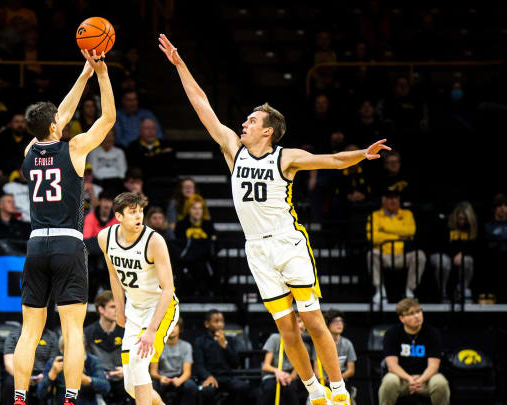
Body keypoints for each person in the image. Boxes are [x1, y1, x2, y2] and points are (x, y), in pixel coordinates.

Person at [159, 33, 391, 405]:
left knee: (313, 322)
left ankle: (339, 391)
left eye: (251, 120)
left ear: (268, 130)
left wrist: (363, 153)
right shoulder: (233, 151)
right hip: (257, 250)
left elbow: (331, 160)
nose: (244, 123)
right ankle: (315, 392)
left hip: (288, 242)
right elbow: (202, 105)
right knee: (286, 329)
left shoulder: (284, 157)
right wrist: (179, 64)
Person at [12, 49, 115, 405]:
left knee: (29, 332)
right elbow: (108, 117)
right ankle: (71, 398)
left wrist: (83, 74)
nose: (63, 117)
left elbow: (59, 116)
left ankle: (19, 397)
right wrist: (100, 74)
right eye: (58, 117)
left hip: (36, 244)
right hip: (69, 245)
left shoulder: (28, 151)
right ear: (55, 125)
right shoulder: (75, 149)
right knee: (72, 330)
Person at [97, 192, 179, 405]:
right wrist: (120, 310)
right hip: (134, 309)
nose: (139, 216)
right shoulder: (105, 238)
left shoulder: (155, 241)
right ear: (119, 216)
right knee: (130, 385)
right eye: (132, 212)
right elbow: (113, 275)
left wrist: (152, 330)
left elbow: (168, 289)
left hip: (160, 307)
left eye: (141, 211)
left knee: (139, 361)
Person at [378, 299, 449, 405]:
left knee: (440, 383)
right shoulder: (392, 334)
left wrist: (420, 380)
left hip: (426, 379)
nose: (417, 316)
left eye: (418, 311)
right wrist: (409, 379)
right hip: (401, 379)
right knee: (389, 381)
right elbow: (392, 366)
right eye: (411, 314)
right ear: (402, 318)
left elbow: (433, 366)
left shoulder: (432, 333)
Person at [366, 189, 426, 305]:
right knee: (371, 254)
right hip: (383, 254)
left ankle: (410, 291)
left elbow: (411, 231)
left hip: (402, 255)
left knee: (420, 256)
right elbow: (373, 237)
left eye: (395, 197)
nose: (393, 200)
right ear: (383, 200)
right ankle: (380, 291)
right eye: (389, 198)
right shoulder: (375, 215)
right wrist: (400, 236)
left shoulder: (407, 214)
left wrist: (385, 230)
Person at [193, 309, 252, 404]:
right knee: (207, 391)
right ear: (207, 324)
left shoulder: (229, 340)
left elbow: (236, 364)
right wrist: (208, 376)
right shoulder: (200, 341)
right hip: (209, 377)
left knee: (243, 387)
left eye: (222, 321)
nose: (220, 324)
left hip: (227, 377)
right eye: (216, 321)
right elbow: (199, 365)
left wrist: (225, 346)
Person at [37, 336, 111, 405]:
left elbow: (106, 388)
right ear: (62, 348)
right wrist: (52, 374)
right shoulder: (55, 363)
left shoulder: (92, 361)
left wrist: (88, 380)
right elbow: (41, 395)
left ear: (84, 345)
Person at [83, 291, 126, 405]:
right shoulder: (88, 333)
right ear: (101, 309)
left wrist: (126, 371)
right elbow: (86, 361)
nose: (117, 310)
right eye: (113, 307)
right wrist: (100, 374)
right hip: (98, 380)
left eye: (119, 307)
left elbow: (135, 358)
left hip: (123, 380)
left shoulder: (126, 331)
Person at [429, 202, 478, 301]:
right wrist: (454, 256)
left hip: (460, 256)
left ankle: (461, 289)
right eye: (460, 218)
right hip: (443, 254)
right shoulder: (446, 225)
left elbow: (475, 247)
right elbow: (439, 244)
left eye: (465, 219)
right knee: (444, 262)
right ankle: (442, 292)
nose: (462, 221)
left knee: (468, 260)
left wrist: (462, 254)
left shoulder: (473, 229)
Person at [260, 312, 313, 405]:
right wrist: (278, 372)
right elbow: (266, 366)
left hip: (290, 378)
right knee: (270, 388)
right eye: (299, 321)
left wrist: (290, 377)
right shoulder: (275, 338)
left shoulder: (305, 347)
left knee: (291, 389)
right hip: (272, 375)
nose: (302, 325)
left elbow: (297, 371)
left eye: (304, 323)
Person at [2, 327, 60, 405]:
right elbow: (9, 362)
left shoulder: (51, 336)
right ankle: (19, 400)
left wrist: (44, 375)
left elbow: (53, 361)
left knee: (50, 382)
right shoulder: (14, 334)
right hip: (19, 373)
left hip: (43, 373)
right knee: (10, 383)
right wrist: (21, 377)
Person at [149, 317, 196, 405]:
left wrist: (180, 380)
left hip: (178, 377)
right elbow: (153, 371)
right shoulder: (157, 346)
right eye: (169, 325)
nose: (172, 328)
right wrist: (160, 378)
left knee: (190, 386)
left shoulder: (186, 346)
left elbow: (187, 372)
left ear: (180, 328)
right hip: (161, 378)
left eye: (175, 325)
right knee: (150, 386)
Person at [313, 310, 356, 400]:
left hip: (341, 382)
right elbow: (316, 367)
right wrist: (322, 378)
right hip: (323, 383)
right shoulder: (319, 344)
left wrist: (336, 380)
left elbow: (351, 370)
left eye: (341, 321)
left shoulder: (347, 344)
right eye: (335, 321)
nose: (339, 324)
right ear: (328, 324)